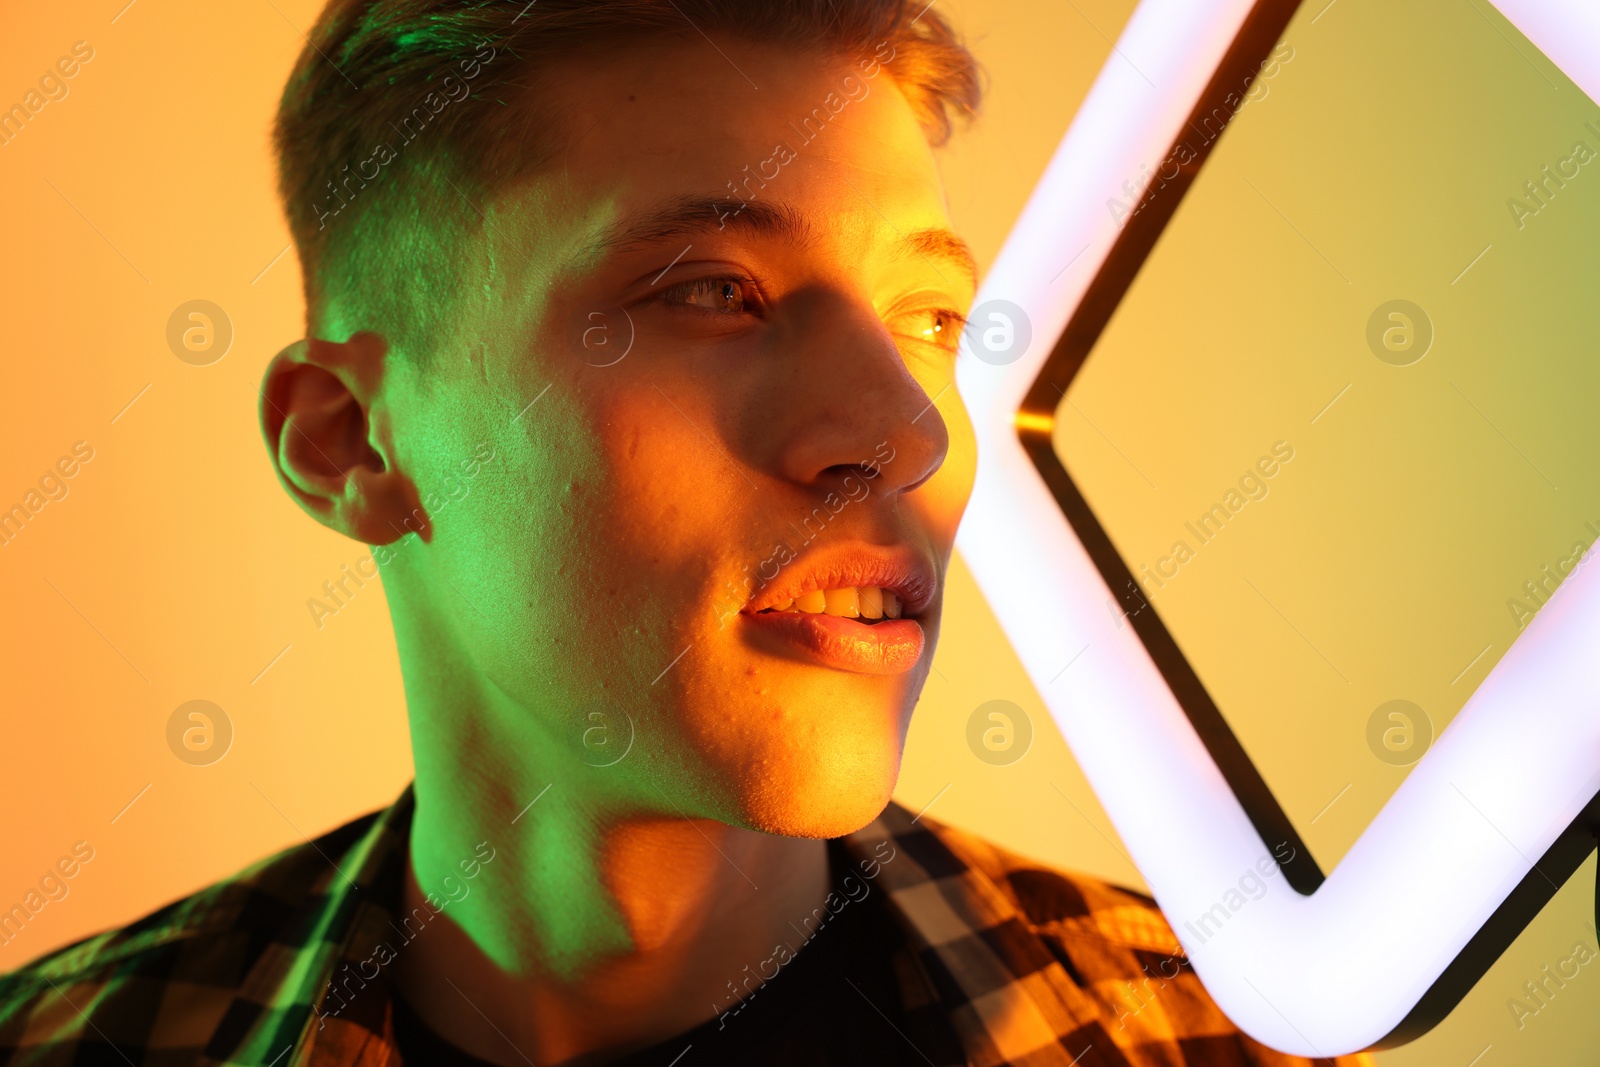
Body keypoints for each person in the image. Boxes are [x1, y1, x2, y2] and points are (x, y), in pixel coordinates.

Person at [0, 2, 1372, 1064]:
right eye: (714, 290)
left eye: (932, 318)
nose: (906, 432)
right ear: (353, 444)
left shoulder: (1214, 1041)